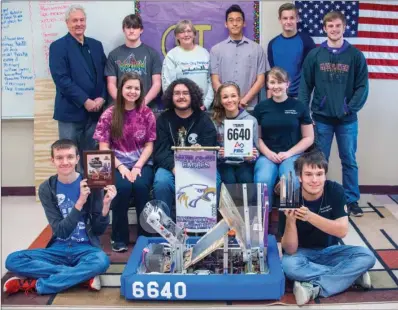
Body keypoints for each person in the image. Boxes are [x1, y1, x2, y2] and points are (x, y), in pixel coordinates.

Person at [3, 139, 116, 295]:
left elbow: (97, 230)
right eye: (59, 158)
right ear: (52, 161)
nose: (65, 162)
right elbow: (61, 231)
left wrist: (106, 205)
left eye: (70, 157)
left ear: (77, 159)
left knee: (102, 261)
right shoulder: (46, 189)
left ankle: (38, 284)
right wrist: (80, 202)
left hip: (85, 248)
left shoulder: (92, 182)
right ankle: (79, 276)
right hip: (57, 249)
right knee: (12, 260)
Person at [280, 151, 376, 305]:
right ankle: (352, 276)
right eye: (309, 174)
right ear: (300, 177)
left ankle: (314, 287)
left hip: (330, 251)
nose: (314, 180)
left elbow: (342, 231)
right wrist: (290, 221)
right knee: (288, 265)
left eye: (319, 174)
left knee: (367, 256)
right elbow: (290, 250)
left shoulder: (335, 190)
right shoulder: (290, 197)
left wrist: (309, 216)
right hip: (301, 254)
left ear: (325, 175)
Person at [298, 11, 369, 217]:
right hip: (321, 118)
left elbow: (362, 87)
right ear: (324, 28)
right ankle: (320, 198)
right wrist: (305, 116)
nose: (334, 29)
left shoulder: (355, 56)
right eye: (330, 26)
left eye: (338, 26)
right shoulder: (315, 55)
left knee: (349, 159)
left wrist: (349, 108)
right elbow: (305, 86)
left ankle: (351, 200)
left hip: (347, 120)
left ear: (344, 27)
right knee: (319, 161)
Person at [94, 73, 156, 252]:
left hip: (141, 163)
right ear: (121, 90)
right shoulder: (109, 114)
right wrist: (121, 166)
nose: (132, 91)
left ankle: (145, 236)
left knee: (140, 187)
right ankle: (119, 237)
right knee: (121, 188)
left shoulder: (147, 113)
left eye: (136, 88)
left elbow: (149, 146)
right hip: (114, 164)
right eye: (129, 87)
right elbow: (103, 148)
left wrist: (137, 166)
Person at [49, 5, 107, 172]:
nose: (79, 24)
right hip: (70, 113)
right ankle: (76, 196)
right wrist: (85, 101)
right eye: (74, 20)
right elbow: (61, 79)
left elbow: (105, 75)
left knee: (93, 159)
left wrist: (102, 97)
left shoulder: (96, 45)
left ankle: (94, 196)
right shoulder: (58, 47)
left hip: (95, 113)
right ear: (67, 23)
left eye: (82, 20)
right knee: (69, 158)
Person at [153, 78, 217, 215]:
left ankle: (204, 226)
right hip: (171, 167)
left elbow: (211, 147)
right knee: (161, 182)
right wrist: (175, 168)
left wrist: (202, 152)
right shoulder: (163, 120)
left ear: (192, 95)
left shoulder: (204, 119)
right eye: (177, 93)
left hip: (200, 165)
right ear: (171, 96)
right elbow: (160, 151)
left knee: (214, 180)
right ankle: (166, 227)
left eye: (185, 93)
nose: (181, 96)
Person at [254, 67, 314, 207]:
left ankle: (288, 223)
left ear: (287, 84)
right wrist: (268, 154)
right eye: (272, 82)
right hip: (267, 156)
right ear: (267, 85)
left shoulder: (299, 107)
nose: (276, 86)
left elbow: (308, 137)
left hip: (292, 155)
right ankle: (263, 223)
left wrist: (289, 153)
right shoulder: (261, 108)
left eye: (280, 82)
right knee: (263, 180)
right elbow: (257, 138)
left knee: (290, 181)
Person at [210, 4, 267, 110]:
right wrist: (228, 100)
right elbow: (215, 80)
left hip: (249, 107)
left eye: (238, 20)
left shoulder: (257, 49)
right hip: (224, 108)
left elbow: (261, 80)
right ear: (226, 24)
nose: (235, 24)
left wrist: (244, 100)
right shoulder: (216, 50)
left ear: (244, 23)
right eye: (231, 20)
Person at [105, 14, 162, 109]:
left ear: (141, 30)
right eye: (128, 27)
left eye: (135, 27)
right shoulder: (114, 55)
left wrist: (143, 103)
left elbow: (157, 83)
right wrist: (123, 103)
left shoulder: (152, 54)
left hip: (146, 106)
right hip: (121, 108)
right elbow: (111, 84)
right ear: (123, 30)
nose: (131, 31)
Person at [212, 82, 259, 184]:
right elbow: (212, 150)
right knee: (229, 179)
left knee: (245, 178)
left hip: (244, 163)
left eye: (233, 96)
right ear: (220, 100)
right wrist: (220, 155)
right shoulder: (215, 122)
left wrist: (252, 156)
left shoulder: (251, 121)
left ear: (239, 98)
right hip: (224, 163)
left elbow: (257, 149)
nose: (230, 100)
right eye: (225, 97)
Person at [162, 20, 214, 110]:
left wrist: (206, 104)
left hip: (202, 108)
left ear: (194, 34)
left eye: (189, 31)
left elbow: (210, 81)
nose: (186, 35)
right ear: (177, 36)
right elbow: (167, 84)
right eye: (182, 32)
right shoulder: (172, 55)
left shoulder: (204, 53)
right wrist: (177, 106)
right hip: (180, 108)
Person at [267, 3, 316, 98]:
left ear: (297, 19)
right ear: (280, 20)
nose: (288, 21)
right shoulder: (272, 44)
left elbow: (312, 70)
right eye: (285, 18)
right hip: (278, 95)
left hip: (301, 96)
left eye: (292, 18)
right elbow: (272, 72)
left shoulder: (307, 41)